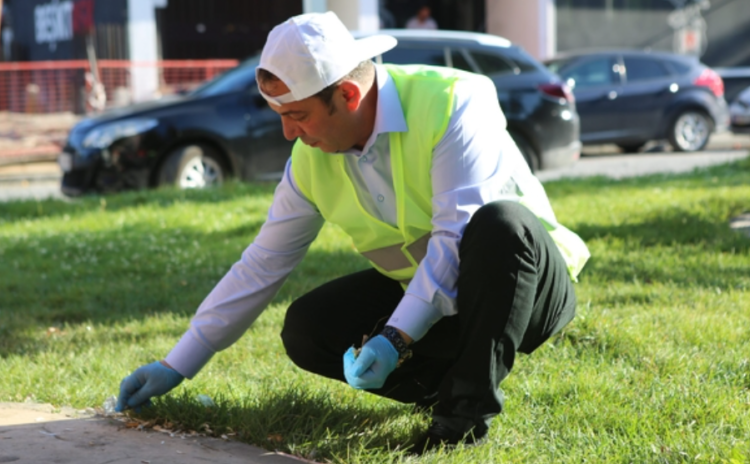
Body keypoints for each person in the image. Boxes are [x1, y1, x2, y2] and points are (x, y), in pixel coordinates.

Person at [115, 11, 590, 454]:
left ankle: (461, 419)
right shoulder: (308, 161)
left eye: (297, 115)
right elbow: (264, 261)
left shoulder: (453, 101)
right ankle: (445, 383)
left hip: (527, 289)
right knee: (308, 327)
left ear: (347, 95)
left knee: (498, 225)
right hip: (436, 301)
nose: (287, 133)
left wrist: (396, 337)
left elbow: (456, 237)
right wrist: (177, 363)